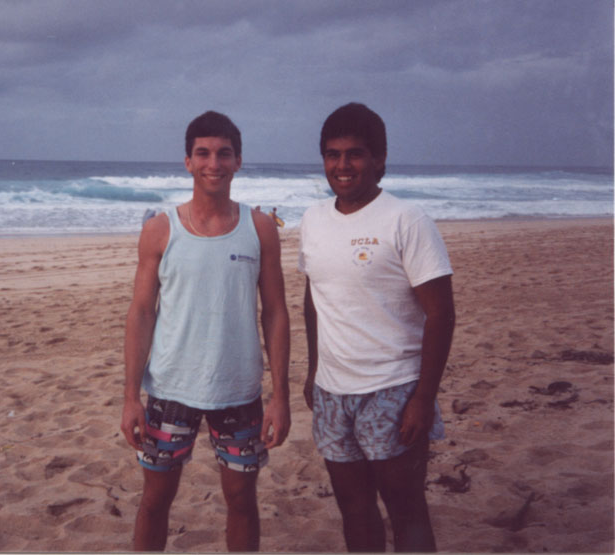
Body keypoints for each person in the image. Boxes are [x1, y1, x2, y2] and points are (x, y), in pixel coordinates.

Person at [121, 111, 290, 552]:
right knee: (156, 500)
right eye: (203, 153)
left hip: (238, 391)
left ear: (238, 162)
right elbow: (141, 312)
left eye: (223, 154)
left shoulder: (259, 229)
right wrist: (129, 397)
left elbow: (275, 312)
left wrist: (281, 396)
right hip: (170, 389)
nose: (213, 163)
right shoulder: (160, 230)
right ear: (188, 162)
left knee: (241, 501)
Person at [299, 103, 455, 552]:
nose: (342, 166)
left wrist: (423, 399)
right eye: (332, 154)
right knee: (354, 508)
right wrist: (313, 371)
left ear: (379, 159)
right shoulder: (313, 220)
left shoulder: (407, 220)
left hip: (394, 388)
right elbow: (315, 298)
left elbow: (441, 314)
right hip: (332, 392)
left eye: (355, 154)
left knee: (406, 509)